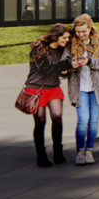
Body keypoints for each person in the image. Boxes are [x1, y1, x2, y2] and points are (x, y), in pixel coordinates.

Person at [65, 13, 99, 164]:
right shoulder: (71, 43)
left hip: (97, 87)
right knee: (82, 120)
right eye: (78, 32)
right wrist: (72, 65)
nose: (81, 34)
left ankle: (89, 151)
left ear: (90, 28)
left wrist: (90, 61)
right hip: (79, 87)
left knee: (93, 120)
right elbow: (64, 63)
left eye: (84, 31)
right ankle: (80, 151)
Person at [24, 24, 72, 167]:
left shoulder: (63, 49)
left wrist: (67, 69)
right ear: (55, 36)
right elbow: (44, 68)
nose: (66, 40)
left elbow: (65, 69)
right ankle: (41, 156)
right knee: (40, 121)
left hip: (53, 88)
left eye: (68, 38)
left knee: (57, 118)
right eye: (64, 37)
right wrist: (65, 66)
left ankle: (58, 153)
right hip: (36, 89)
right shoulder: (38, 47)